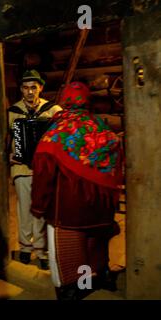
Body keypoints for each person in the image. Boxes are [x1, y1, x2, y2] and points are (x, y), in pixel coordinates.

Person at [30, 82, 124, 300]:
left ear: (65, 101)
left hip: (68, 211)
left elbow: (43, 172)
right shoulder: (101, 127)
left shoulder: (57, 133)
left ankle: (75, 290)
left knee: (70, 255)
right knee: (95, 249)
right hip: (101, 209)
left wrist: (38, 205)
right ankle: (95, 279)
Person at [7, 70, 62, 269]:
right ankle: (25, 248)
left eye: (33, 87)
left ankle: (41, 250)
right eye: (25, 88)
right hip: (21, 167)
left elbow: (61, 140)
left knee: (41, 210)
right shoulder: (13, 111)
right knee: (24, 210)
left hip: (45, 170)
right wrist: (8, 156)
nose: (29, 92)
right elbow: (5, 140)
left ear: (40, 88)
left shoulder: (53, 110)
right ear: (21, 89)